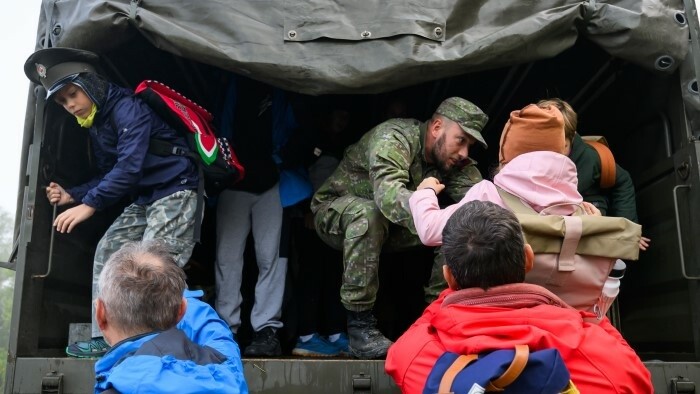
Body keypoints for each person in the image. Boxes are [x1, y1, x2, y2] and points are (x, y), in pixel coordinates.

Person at [24, 48, 199, 357]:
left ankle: (153, 344)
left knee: (153, 267)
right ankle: (104, 338)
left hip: (174, 190)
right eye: (63, 101)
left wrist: (89, 204)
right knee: (108, 251)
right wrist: (73, 195)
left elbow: (129, 168)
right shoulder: (97, 124)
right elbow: (109, 173)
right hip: (146, 197)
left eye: (73, 94)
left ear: (91, 85)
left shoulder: (127, 109)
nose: (70, 105)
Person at [385, 201, 653, 393]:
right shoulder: (598, 357)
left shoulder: (416, 357)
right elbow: (639, 382)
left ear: (448, 277)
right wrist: (581, 314)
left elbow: (417, 331)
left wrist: (451, 294)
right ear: (528, 259)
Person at [311, 97, 488, 359]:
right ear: (437, 127)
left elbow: (485, 203)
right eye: (461, 140)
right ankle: (360, 326)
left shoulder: (450, 159)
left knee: (462, 225)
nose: (464, 152)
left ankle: (437, 316)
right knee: (369, 214)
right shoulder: (393, 137)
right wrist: (432, 214)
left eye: (469, 145)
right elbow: (388, 198)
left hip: (392, 225)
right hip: (337, 214)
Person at [409, 103, 591, 247]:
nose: (464, 153)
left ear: (508, 150)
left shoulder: (487, 195)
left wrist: (425, 193)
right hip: (550, 293)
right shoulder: (576, 208)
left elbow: (430, 230)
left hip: (496, 292)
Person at [215, 75, 302, 356]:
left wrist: (284, 158)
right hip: (235, 181)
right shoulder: (230, 84)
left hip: (271, 182)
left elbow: (295, 129)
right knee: (227, 258)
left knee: (272, 258)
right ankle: (226, 329)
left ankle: (267, 330)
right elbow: (217, 128)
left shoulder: (280, 87)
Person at [93, 240, 248, 393]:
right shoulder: (224, 375)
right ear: (182, 311)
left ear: (100, 314)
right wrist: (179, 300)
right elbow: (221, 340)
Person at [537, 98, 640, 222]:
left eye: (562, 145)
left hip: (590, 214)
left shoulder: (590, 157)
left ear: (572, 136)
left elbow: (623, 181)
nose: (554, 152)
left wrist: (627, 229)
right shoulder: (526, 160)